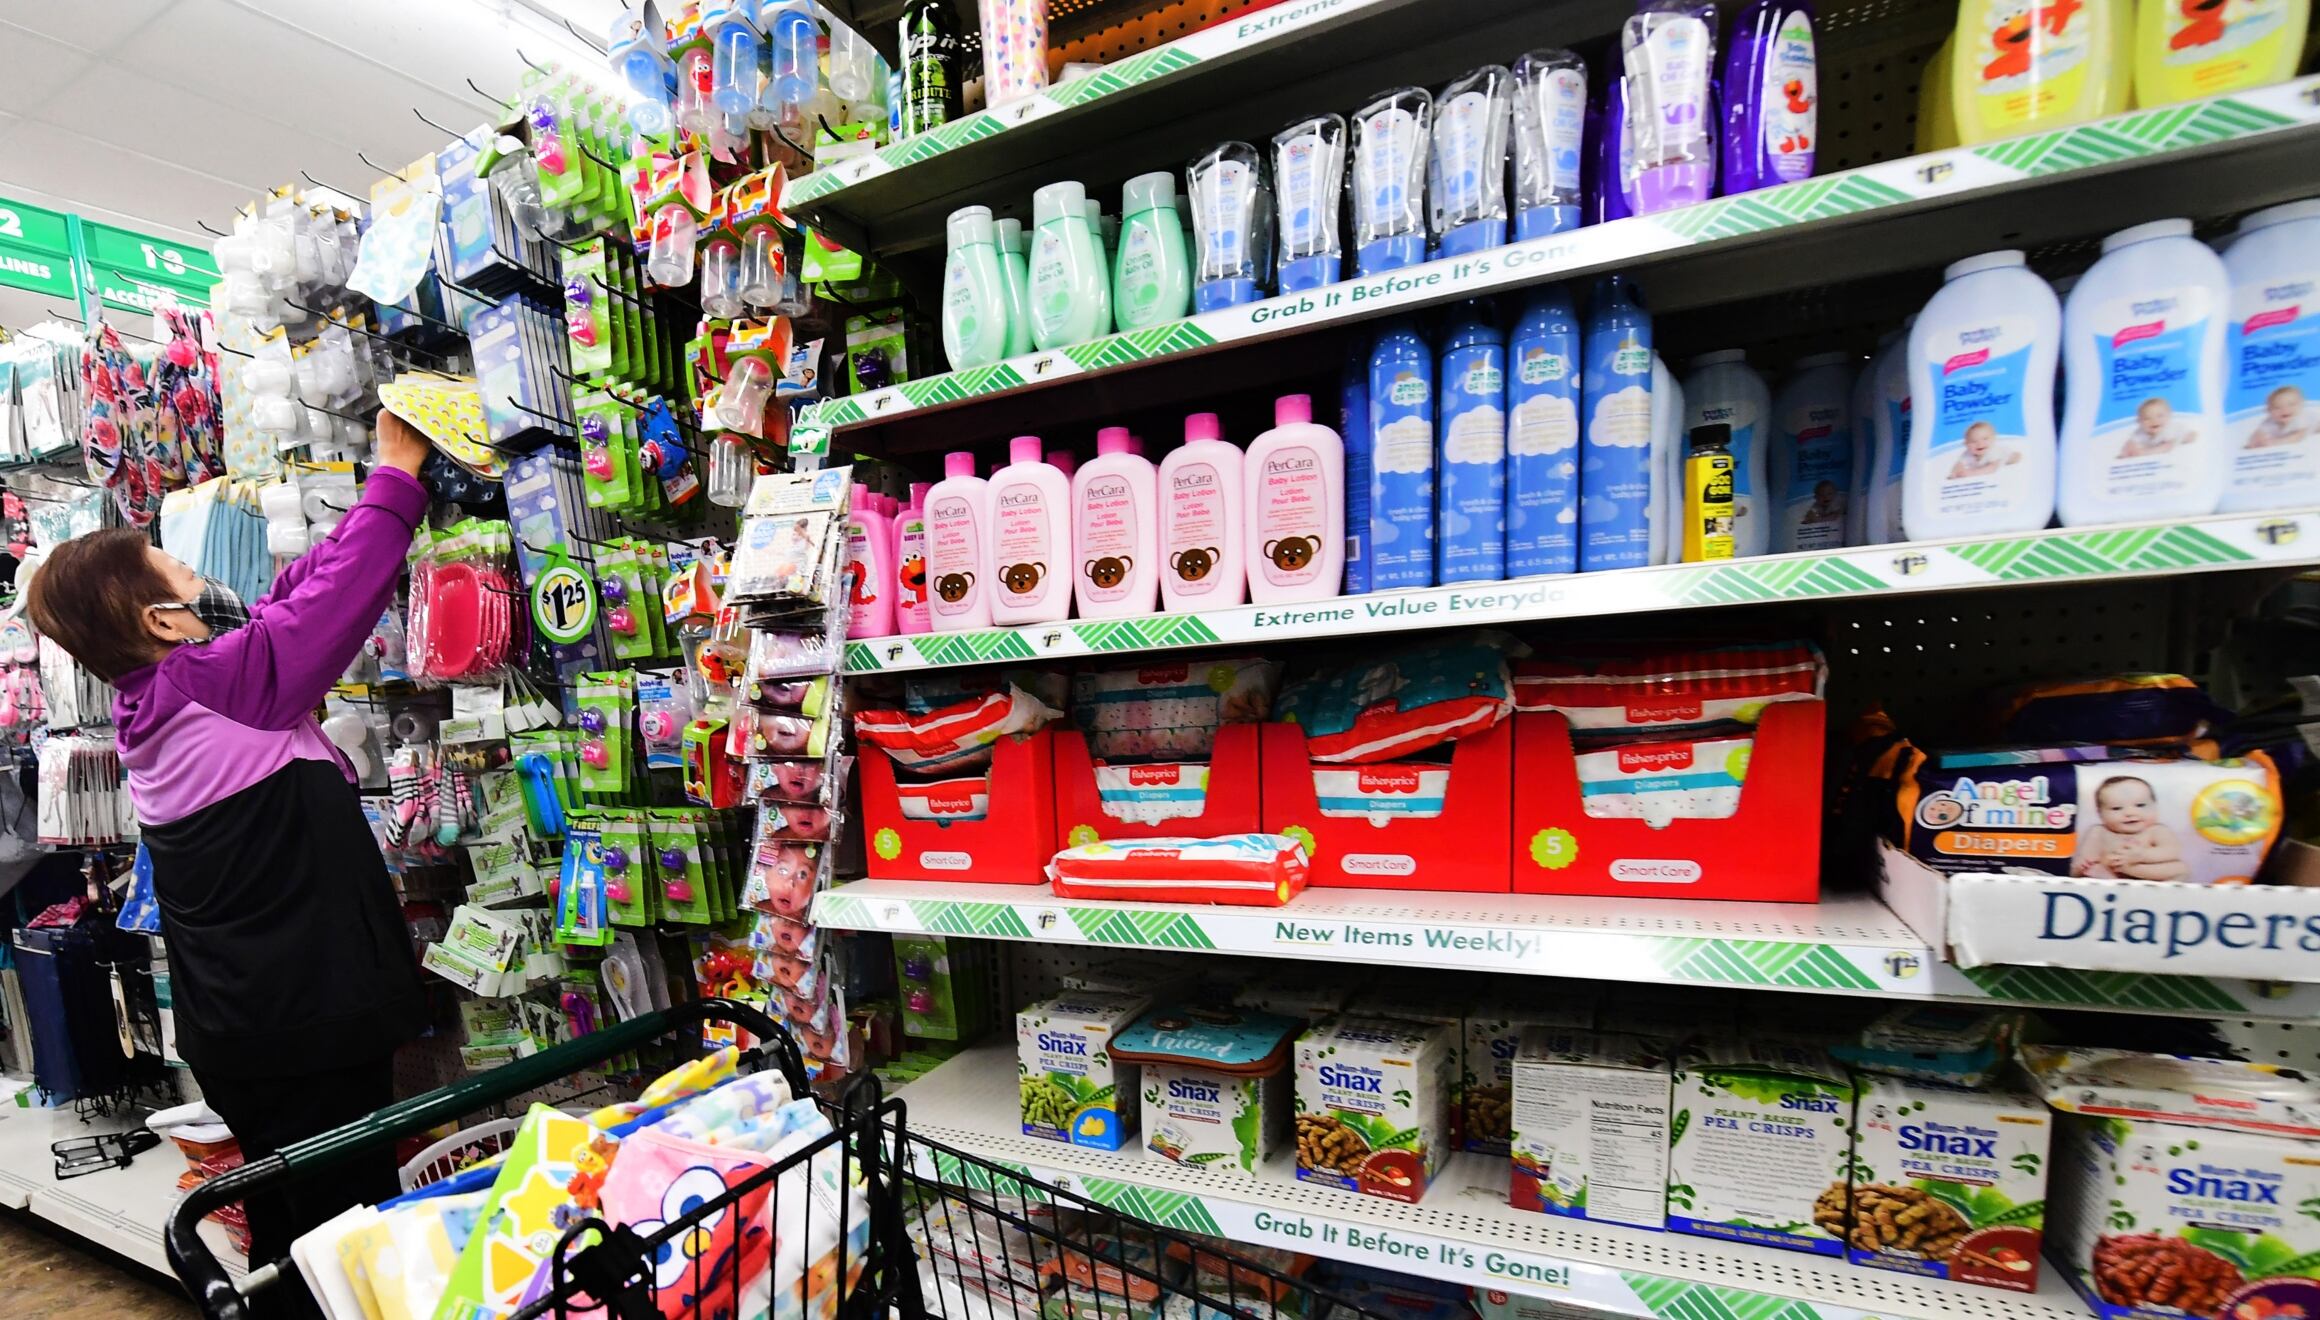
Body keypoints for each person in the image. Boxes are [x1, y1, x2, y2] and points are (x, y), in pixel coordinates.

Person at [24, 411, 436, 1319]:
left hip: (251, 1022)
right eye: (172, 565)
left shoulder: (165, 696)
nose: (192, 566)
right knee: (348, 1236)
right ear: (161, 616)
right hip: (304, 1020)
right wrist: (396, 477)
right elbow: (324, 612)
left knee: (296, 1228)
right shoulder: (217, 686)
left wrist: (340, 527)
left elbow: (293, 609)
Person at [2070, 774, 2189, 882]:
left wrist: (2142, 855)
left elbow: (2172, 852)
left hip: (2150, 876)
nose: (2130, 813)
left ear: (2155, 807)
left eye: (2140, 805)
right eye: (2116, 808)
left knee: (2181, 868)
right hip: (2111, 875)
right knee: (2087, 869)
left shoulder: (2157, 830)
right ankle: (2112, 880)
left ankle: (2162, 896)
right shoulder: (2099, 832)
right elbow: (2087, 858)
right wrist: (2083, 865)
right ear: (2100, 813)